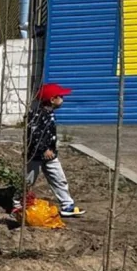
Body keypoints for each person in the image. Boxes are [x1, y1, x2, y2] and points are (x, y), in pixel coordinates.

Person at [26, 83, 85, 217]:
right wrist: (44, 149)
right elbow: (34, 134)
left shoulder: (49, 113)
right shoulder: (39, 115)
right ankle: (19, 203)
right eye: (61, 96)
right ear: (53, 99)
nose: (63, 99)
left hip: (50, 156)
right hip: (36, 155)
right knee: (28, 179)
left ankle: (67, 205)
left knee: (59, 178)